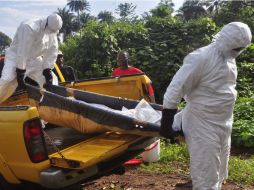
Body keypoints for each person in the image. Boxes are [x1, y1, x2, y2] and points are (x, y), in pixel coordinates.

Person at [160, 22, 252, 190]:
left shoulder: (229, 58)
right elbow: (175, 90)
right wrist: (166, 123)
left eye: (241, 49)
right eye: (236, 49)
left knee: (221, 167)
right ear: (225, 42)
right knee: (206, 174)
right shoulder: (200, 58)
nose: (238, 53)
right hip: (202, 124)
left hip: (224, 122)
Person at [0, 13, 62, 103]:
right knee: (8, 79)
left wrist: (47, 70)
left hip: (34, 59)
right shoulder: (28, 27)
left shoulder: (52, 31)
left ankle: (49, 103)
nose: (52, 33)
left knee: (52, 79)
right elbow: (23, 50)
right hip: (15, 57)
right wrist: (20, 72)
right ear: (46, 24)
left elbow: (52, 51)